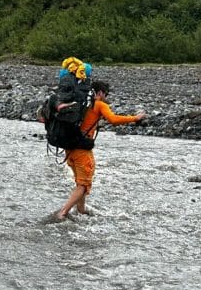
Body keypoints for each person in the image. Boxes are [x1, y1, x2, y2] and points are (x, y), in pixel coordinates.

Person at [54, 78, 146, 221]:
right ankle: (63, 212)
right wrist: (135, 118)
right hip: (82, 149)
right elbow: (113, 119)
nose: (107, 97)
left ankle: (81, 210)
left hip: (70, 148)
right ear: (101, 93)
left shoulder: (81, 104)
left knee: (80, 182)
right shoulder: (99, 104)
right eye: (106, 94)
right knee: (84, 185)